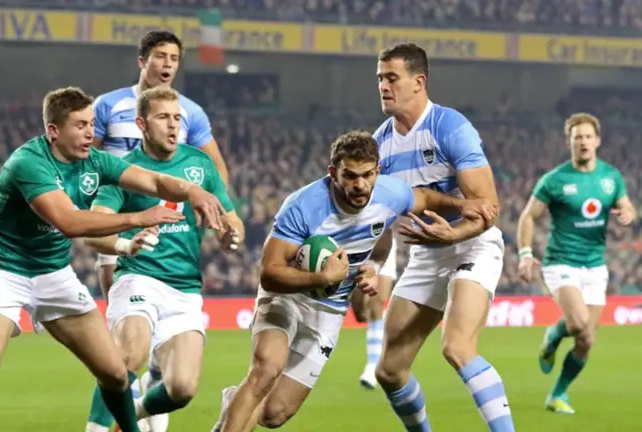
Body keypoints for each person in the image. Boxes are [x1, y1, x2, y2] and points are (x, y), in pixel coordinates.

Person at [0, 86, 226, 432]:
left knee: (114, 371)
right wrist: (137, 218)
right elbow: (69, 222)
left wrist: (193, 190)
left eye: (92, 124)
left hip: (54, 273)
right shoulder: (28, 163)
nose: (89, 133)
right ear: (53, 131)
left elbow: (154, 180)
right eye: (79, 125)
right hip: (2, 270)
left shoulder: (96, 162)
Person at [211, 130, 497, 432]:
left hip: (329, 311)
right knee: (266, 369)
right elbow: (270, 274)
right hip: (287, 298)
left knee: (274, 414)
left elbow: (422, 200)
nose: (360, 184)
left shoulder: (390, 194)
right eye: (350, 175)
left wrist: (461, 206)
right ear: (332, 172)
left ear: (378, 171)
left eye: (367, 175)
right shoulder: (303, 206)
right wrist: (322, 277)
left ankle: (234, 400)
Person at [83, 87, 243, 432]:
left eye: (177, 118)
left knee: (182, 389)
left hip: (184, 289)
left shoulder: (199, 165)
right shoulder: (124, 170)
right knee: (130, 353)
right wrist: (127, 243)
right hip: (137, 277)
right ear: (141, 124)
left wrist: (231, 237)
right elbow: (93, 229)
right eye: (163, 118)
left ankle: (135, 411)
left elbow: (232, 220)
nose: (173, 125)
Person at [373, 43, 513, 431]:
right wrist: (372, 264)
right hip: (426, 255)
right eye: (380, 78)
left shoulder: (449, 127)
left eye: (392, 78)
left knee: (457, 346)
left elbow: (488, 208)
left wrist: (452, 233)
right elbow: (380, 220)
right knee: (389, 370)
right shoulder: (379, 145)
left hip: (472, 245)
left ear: (419, 82)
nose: (383, 86)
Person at [517, 113, 636, 415]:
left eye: (587, 136)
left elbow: (626, 205)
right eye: (577, 137)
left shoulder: (611, 177)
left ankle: (557, 395)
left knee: (586, 340)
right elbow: (528, 217)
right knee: (578, 324)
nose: (583, 142)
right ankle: (553, 335)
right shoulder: (555, 180)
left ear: (597, 141)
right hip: (560, 263)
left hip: (595, 266)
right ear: (569, 142)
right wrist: (526, 253)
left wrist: (627, 213)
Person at [350, 236, 398, 389]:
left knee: (376, 302)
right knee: (361, 314)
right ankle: (384, 325)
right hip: (357, 244)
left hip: (382, 245)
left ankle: (372, 367)